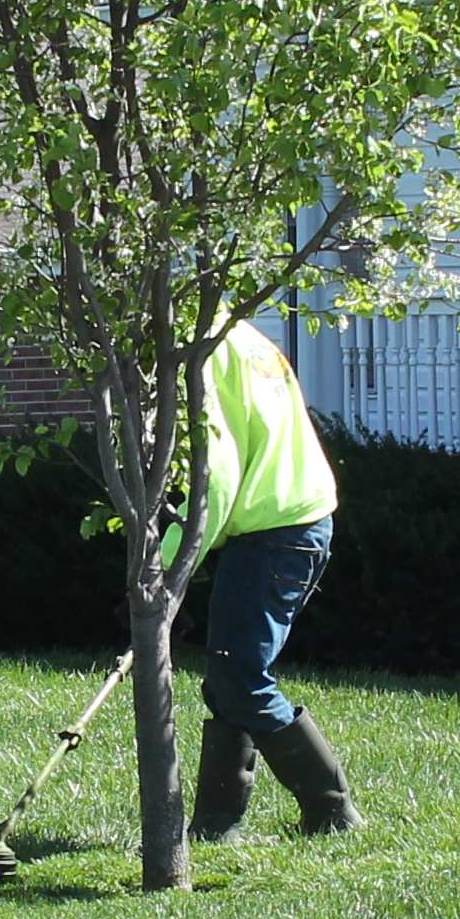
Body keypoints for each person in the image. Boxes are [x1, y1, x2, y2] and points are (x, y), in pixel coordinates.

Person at [177, 314, 351, 844]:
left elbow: (219, 473)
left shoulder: (198, 351)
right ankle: (215, 827)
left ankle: (332, 811)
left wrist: (165, 570)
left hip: (272, 528)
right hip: (294, 517)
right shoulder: (244, 333)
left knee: (240, 677)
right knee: (230, 675)